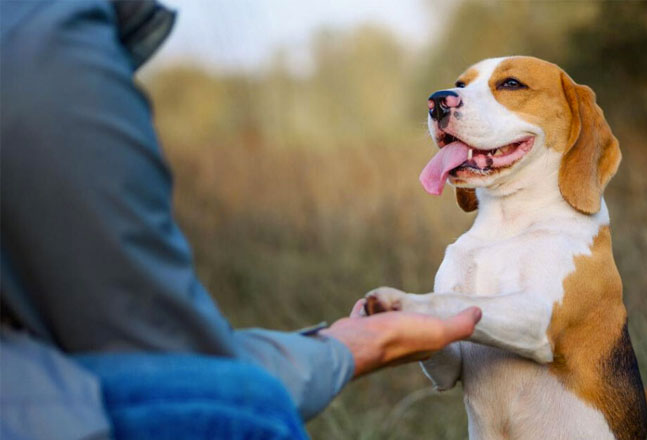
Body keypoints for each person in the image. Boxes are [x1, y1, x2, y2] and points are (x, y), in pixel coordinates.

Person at [0, 1, 482, 439]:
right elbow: (180, 366)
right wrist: (348, 350)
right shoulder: (49, 49)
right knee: (245, 412)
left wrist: (338, 347)